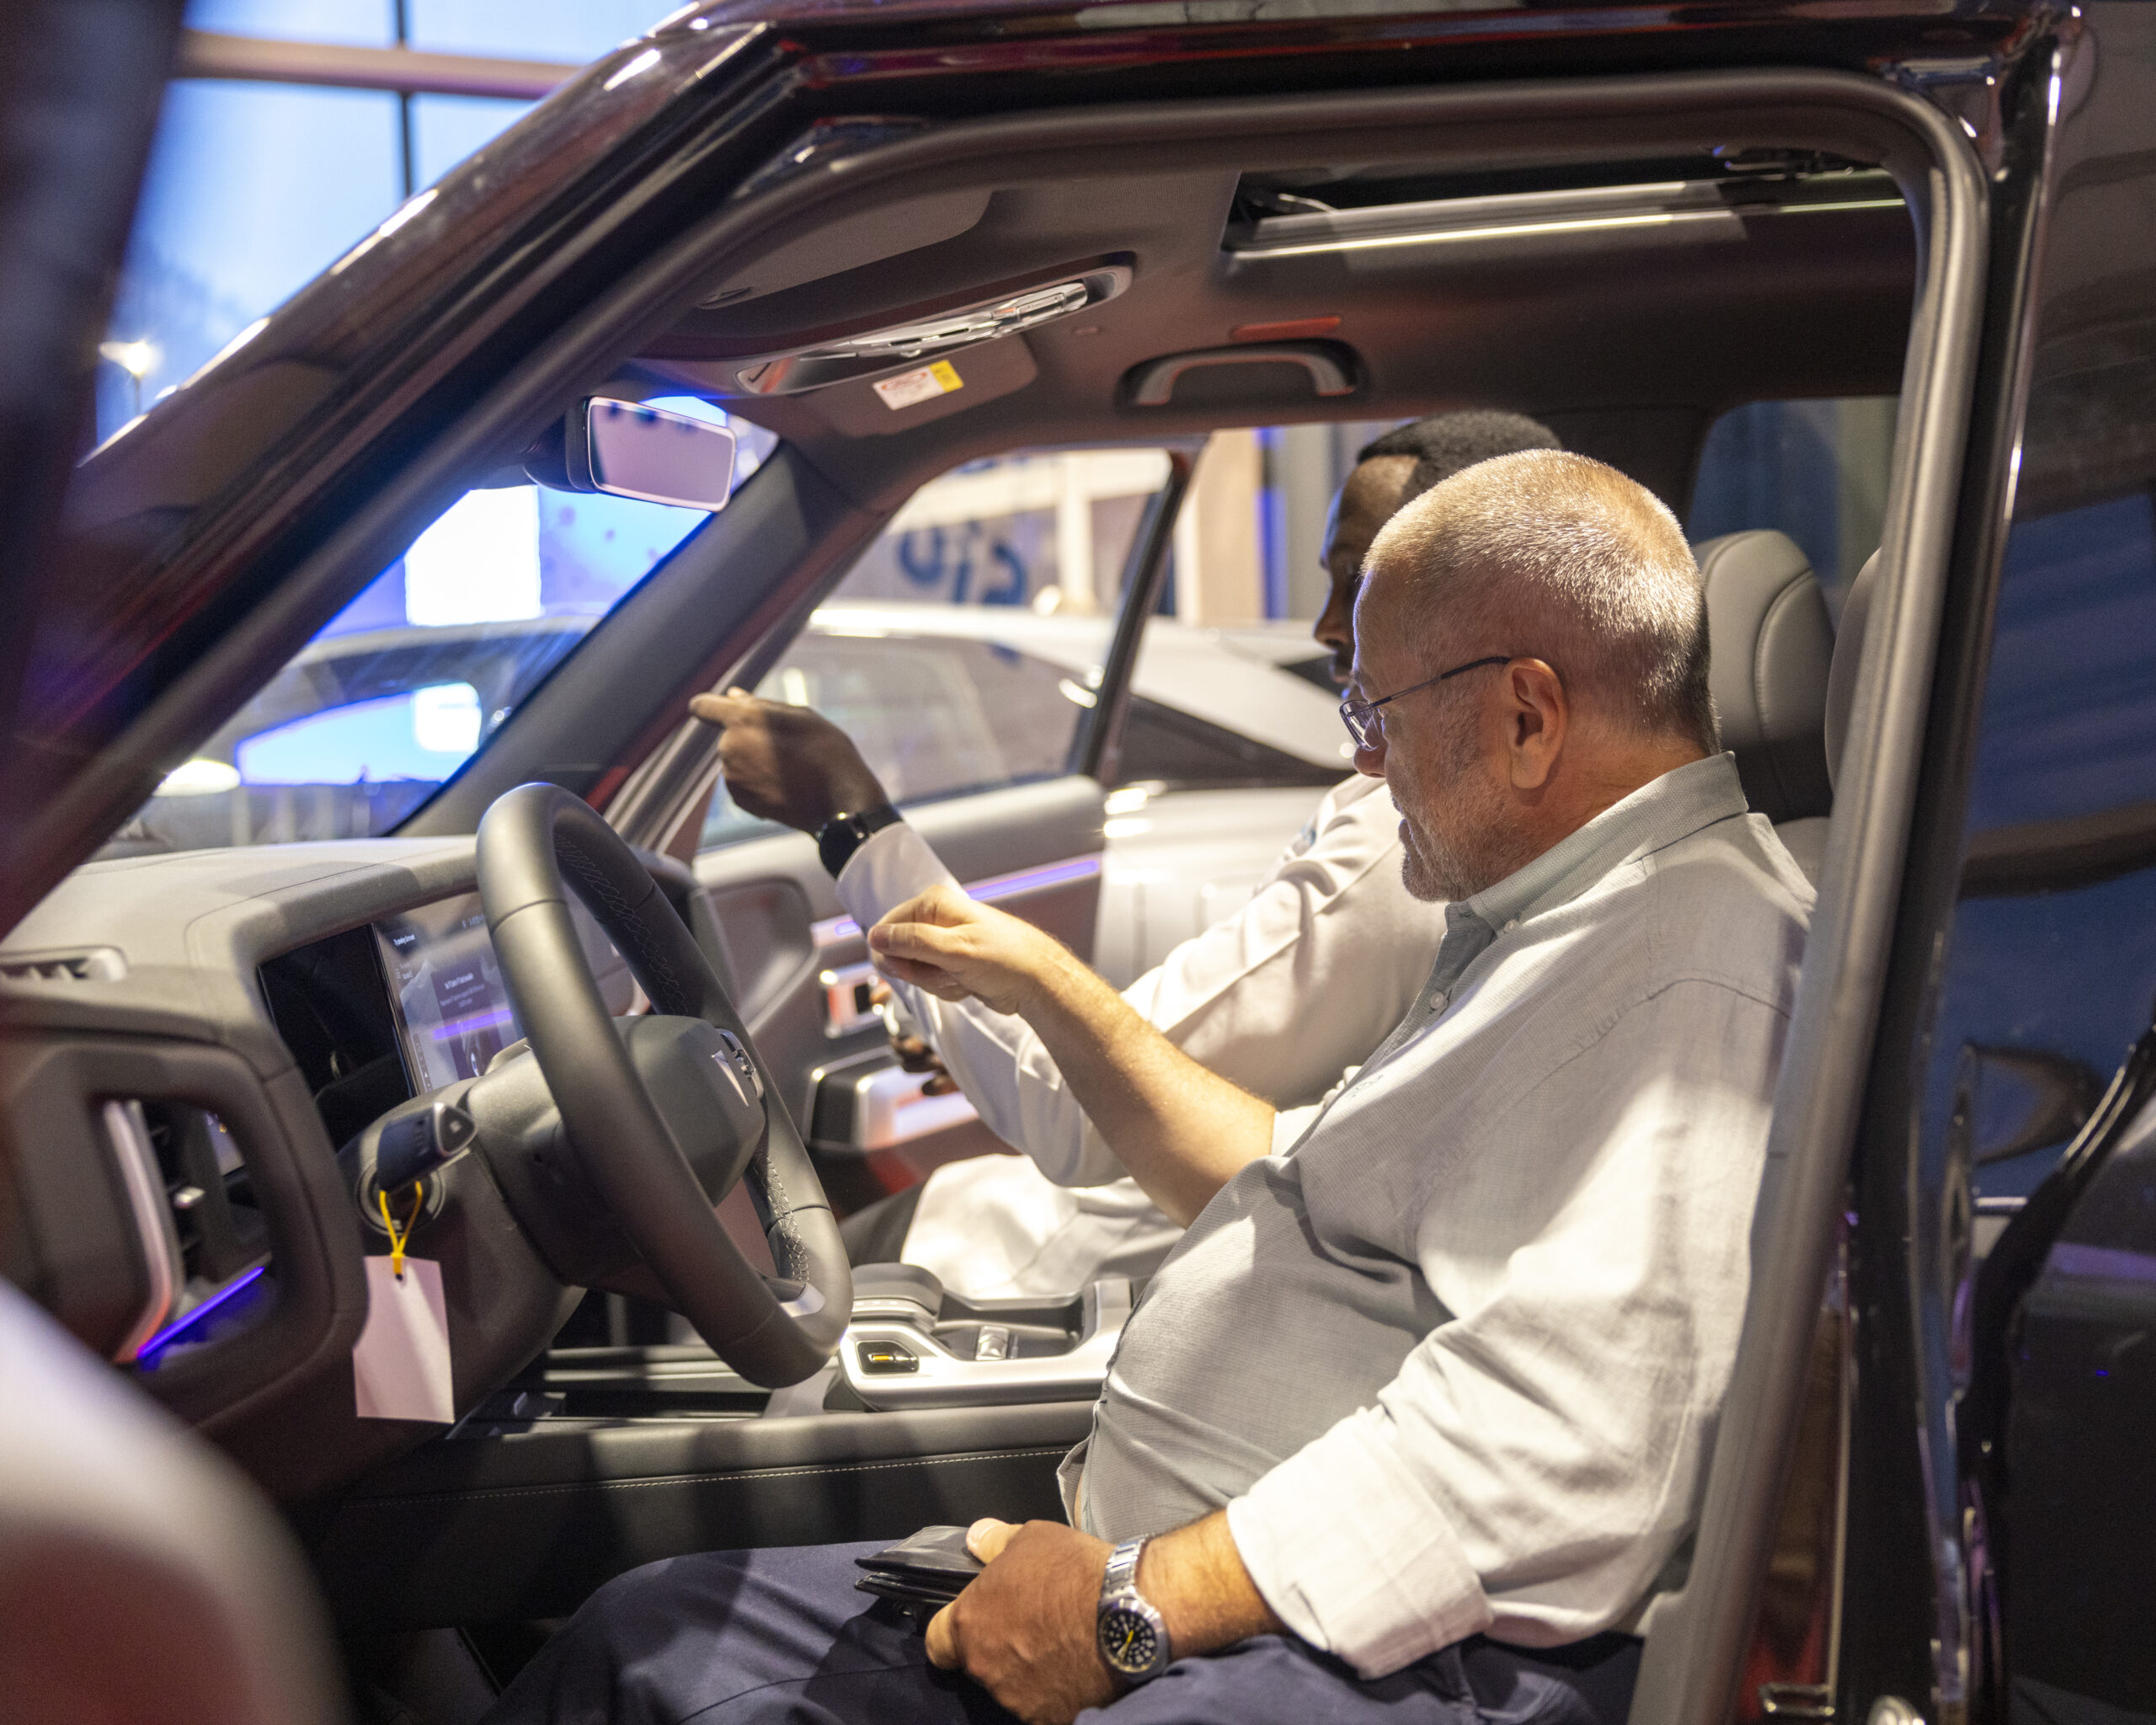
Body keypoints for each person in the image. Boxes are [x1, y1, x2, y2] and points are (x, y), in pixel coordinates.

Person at [482, 450, 1815, 1725]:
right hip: (1219, 1598)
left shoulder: (1691, 969)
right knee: (648, 1633)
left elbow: (1570, 1440)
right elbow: (1297, 1174)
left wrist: (1131, 1604)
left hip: (1321, 1653)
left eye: (1377, 714)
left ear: (1526, 716)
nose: (1365, 761)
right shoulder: (1567, 928)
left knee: (643, 1669)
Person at [707, 410, 1562, 1296]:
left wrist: (847, 817)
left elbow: (1068, 1108)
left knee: (745, 1290)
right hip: (1097, 1240)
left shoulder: (1405, 841)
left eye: (1358, 580)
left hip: (1067, 1266)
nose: (1322, 626)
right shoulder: (1442, 832)